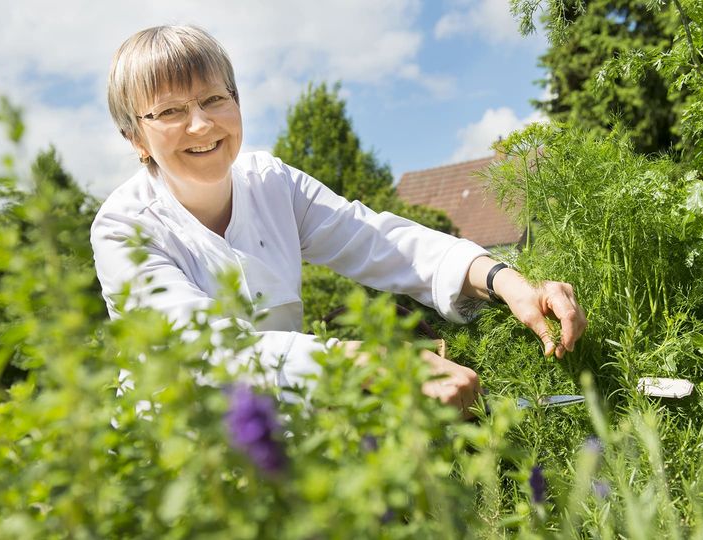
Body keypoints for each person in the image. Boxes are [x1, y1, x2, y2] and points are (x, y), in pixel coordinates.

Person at [92, 25, 588, 415]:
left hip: (283, 442)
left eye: (214, 99)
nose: (201, 124)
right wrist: (377, 361)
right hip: (173, 460)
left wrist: (506, 280)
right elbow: (206, 352)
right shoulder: (124, 228)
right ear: (135, 137)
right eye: (171, 111)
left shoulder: (271, 183)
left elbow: (380, 241)